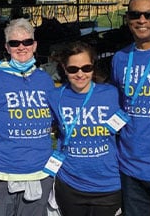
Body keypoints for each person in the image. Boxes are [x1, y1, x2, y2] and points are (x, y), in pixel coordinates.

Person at [0, 18, 55, 216]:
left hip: (39, 175)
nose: (21, 47)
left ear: (34, 45)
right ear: (7, 47)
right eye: (14, 43)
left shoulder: (45, 80)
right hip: (0, 176)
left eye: (27, 42)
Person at [111, 0, 150, 216]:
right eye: (135, 14)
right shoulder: (120, 58)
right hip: (131, 165)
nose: (142, 20)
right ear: (128, 20)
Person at [51, 41, 122, 216]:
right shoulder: (55, 97)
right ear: (64, 68)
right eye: (73, 69)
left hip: (108, 185)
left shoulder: (111, 94)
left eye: (86, 68)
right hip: (70, 184)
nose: (80, 74)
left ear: (93, 67)